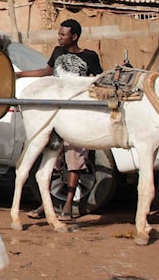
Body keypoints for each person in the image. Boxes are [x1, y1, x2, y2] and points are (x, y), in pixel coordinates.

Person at [16, 19, 102, 219]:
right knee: (52, 162)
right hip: (55, 115)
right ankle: (46, 206)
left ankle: (68, 205)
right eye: (59, 34)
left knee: (75, 160)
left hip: (77, 115)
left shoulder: (89, 56)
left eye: (63, 35)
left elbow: (97, 80)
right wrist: (21, 74)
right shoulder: (57, 52)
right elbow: (46, 72)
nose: (60, 37)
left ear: (74, 36)